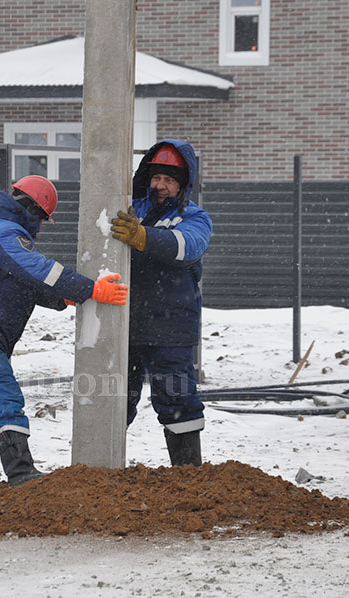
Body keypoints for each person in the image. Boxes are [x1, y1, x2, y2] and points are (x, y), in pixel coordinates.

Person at [0, 175, 128, 509]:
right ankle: (21, 474)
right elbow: (38, 270)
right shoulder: (5, 232)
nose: (39, 227)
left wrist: (63, 299)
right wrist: (90, 289)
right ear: (32, 209)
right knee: (3, 398)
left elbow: (21, 283)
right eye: (40, 219)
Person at [109, 139, 212, 467]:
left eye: (169, 180)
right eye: (156, 178)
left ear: (182, 185)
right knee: (113, 401)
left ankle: (188, 478)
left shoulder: (194, 217)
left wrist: (144, 237)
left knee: (178, 401)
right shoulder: (132, 209)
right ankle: (100, 476)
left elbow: (186, 247)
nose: (161, 185)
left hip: (171, 328)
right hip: (126, 325)